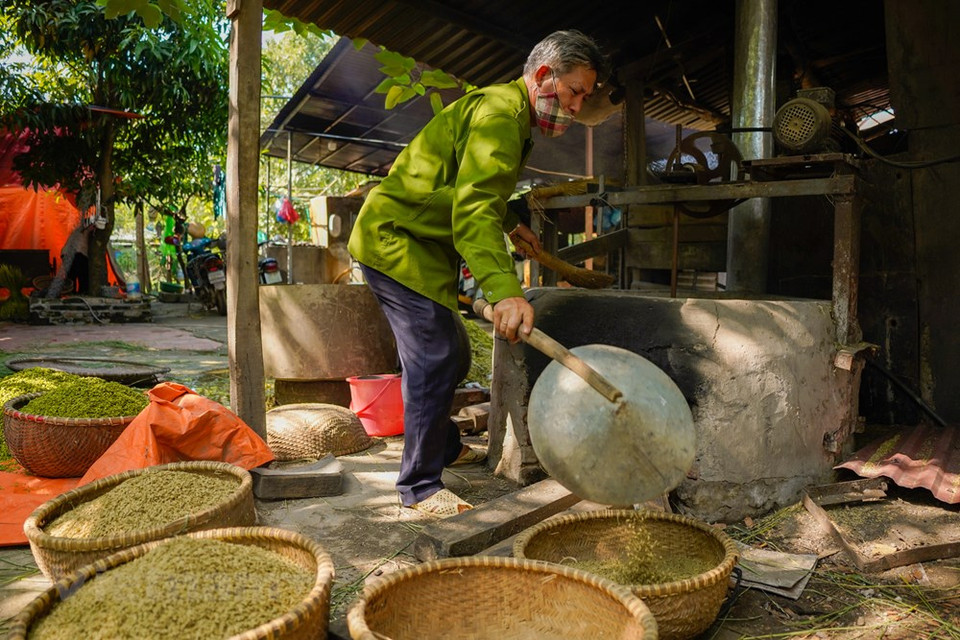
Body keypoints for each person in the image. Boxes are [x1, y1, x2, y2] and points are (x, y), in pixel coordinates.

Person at [347, 29, 609, 518]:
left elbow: (469, 190)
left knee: (443, 352)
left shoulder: (508, 114)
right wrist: (507, 292)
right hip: (397, 239)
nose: (576, 107)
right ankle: (419, 486)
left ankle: (441, 449)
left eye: (584, 98)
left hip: (417, 239)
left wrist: (511, 222)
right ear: (545, 75)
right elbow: (473, 212)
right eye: (575, 92)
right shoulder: (500, 117)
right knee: (438, 352)